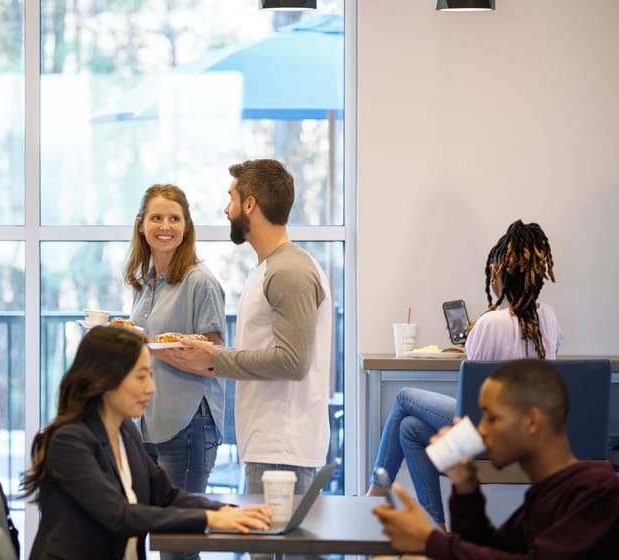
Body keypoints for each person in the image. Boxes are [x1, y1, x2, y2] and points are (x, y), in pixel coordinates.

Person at [366, 220, 561, 527]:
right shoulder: (548, 318)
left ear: (497, 272)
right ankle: (436, 527)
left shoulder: (490, 324)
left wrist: (477, 334)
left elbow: (475, 399)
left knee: (403, 398)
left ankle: (374, 495)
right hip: (528, 435)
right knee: (410, 429)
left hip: (487, 439)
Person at [21, 325, 271, 560]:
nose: (151, 388)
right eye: (141, 377)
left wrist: (223, 510)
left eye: (150, 376)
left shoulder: (125, 432)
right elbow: (119, 516)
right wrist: (208, 519)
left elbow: (167, 495)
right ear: (105, 380)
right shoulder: (69, 442)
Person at [181, 159, 333, 504]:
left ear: (250, 204)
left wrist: (215, 358)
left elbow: (292, 361)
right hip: (271, 447)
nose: (226, 208)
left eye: (231, 198)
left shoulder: (289, 271)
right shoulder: (270, 268)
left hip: (282, 450)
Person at [374, 359, 619, 558]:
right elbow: (489, 548)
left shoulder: (599, 492)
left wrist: (430, 541)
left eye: (492, 418)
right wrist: (465, 488)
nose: (480, 430)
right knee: (410, 427)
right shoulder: (541, 499)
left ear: (532, 421)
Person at [123, 184, 226, 558]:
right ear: (141, 225)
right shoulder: (146, 282)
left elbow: (214, 359)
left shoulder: (200, 281)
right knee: (150, 537)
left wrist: (147, 343)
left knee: (177, 546)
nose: (165, 226)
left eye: (174, 218)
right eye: (156, 217)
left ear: (186, 226)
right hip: (149, 424)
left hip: (188, 424)